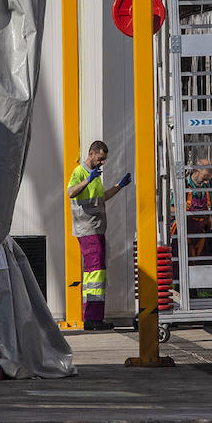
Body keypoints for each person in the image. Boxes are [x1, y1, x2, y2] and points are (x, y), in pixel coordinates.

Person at [67, 140, 131, 330]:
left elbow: (101, 198)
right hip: (87, 230)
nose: (102, 163)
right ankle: (93, 318)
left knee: (93, 273)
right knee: (96, 272)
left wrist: (119, 186)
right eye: (101, 159)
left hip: (96, 229)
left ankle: (92, 317)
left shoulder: (94, 175)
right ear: (92, 153)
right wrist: (87, 180)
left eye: (104, 160)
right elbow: (70, 192)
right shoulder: (80, 172)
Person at [184, 160, 212, 260]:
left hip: (201, 234)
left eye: (208, 179)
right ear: (196, 171)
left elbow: (207, 209)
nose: (206, 182)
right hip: (186, 235)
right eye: (204, 178)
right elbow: (171, 208)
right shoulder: (184, 185)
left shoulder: (206, 186)